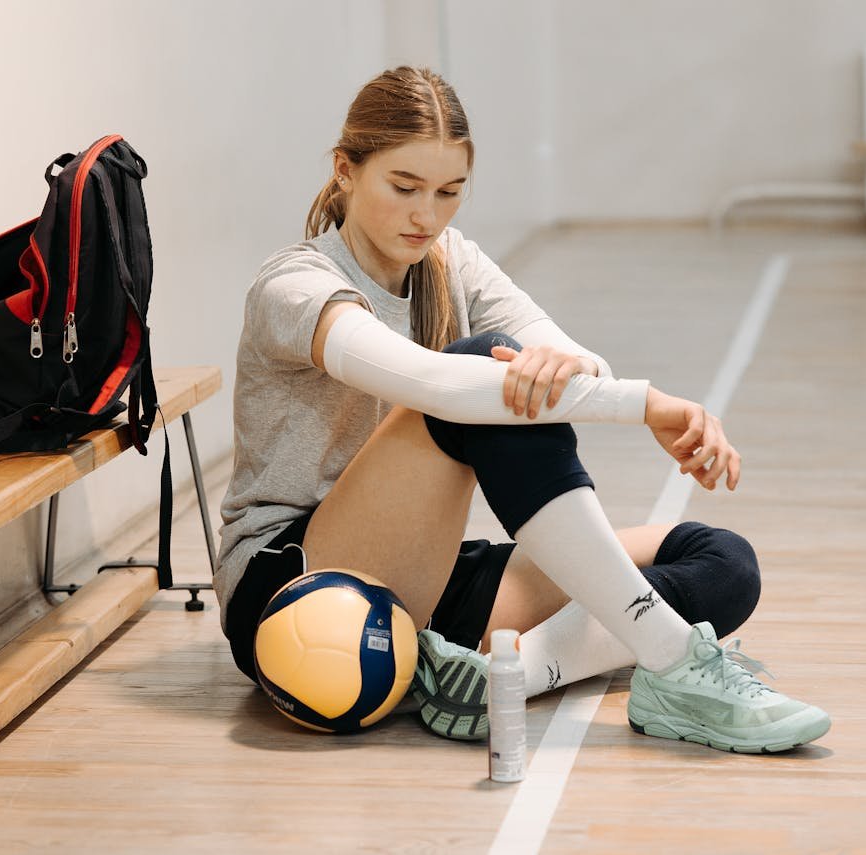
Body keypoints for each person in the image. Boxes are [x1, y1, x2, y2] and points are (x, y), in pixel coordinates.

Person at [214, 66, 830, 753]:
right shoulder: (296, 284)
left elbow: (572, 359)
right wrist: (644, 404)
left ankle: (511, 675)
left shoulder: (450, 263)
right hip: (295, 587)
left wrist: (577, 370)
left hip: (421, 573)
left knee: (722, 561)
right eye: (405, 187)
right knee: (486, 365)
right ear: (345, 171)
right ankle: (675, 661)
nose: (428, 215)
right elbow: (440, 385)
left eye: (450, 192)